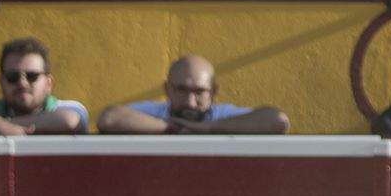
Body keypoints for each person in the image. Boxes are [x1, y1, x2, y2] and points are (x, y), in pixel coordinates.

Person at [97, 55, 290, 134]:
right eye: (181, 90)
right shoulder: (155, 112)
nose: (190, 102)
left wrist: (208, 128)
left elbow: (278, 121)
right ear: (167, 89)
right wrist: (172, 128)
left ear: (214, 91)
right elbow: (108, 118)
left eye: (199, 92)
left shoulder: (222, 116)